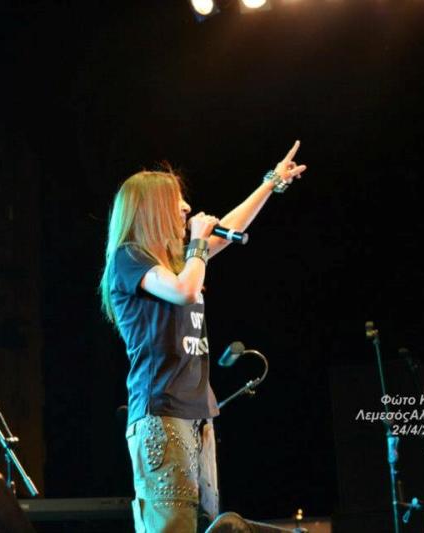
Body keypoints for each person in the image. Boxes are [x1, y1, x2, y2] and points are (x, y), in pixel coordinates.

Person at [99, 141, 307, 533]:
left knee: (204, 525)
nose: (186, 208)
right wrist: (197, 242)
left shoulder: (180, 261)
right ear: (152, 210)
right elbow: (185, 290)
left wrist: (270, 182)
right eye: (175, 201)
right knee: (172, 526)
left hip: (197, 414)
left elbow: (228, 232)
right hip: (161, 413)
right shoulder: (129, 257)